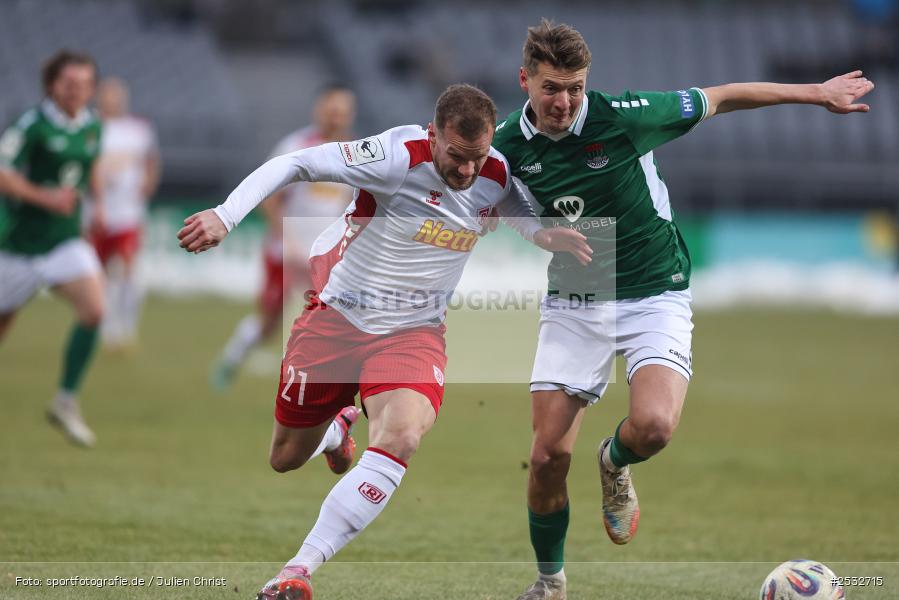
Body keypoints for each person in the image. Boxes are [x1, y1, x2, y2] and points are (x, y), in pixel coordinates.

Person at [491, 20, 875, 600]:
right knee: (546, 457)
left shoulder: (625, 115)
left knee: (654, 428)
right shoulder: (506, 145)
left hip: (654, 289)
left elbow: (721, 97)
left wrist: (816, 94)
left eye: (575, 87)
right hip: (577, 300)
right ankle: (550, 584)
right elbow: (495, 199)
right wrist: (538, 233)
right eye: (551, 88)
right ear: (525, 81)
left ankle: (614, 460)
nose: (564, 102)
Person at [177, 83, 592, 600]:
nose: (468, 171)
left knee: (402, 436)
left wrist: (542, 234)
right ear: (434, 134)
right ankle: (335, 434)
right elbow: (296, 163)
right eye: (457, 156)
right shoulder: (395, 156)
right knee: (285, 456)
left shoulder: (493, 170)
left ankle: (296, 570)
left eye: (478, 157)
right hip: (336, 321)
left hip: (414, 332)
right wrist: (225, 215)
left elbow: (510, 204)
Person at [211, 84, 356, 390]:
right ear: (319, 110)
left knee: (330, 319)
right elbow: (269, 199)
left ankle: (316, 385)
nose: (337, 117)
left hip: (323, 255)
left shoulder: (353, 154)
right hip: (285, 253)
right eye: (332, 110)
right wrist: (288, 240)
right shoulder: (297, 147)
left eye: (342, 112)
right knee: (269, 321)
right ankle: (232, 358)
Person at [0, 50, 105, 448]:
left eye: (85, 83)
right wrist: (45, 198)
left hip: (64, 241)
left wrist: (97, 205)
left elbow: (89, 167)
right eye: (70, 83)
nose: (78, 90)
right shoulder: (32, 125)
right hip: (18, 245)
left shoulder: (93, 124)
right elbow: (3, 173)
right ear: (52, 85)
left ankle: (65, 400)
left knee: (95, 310)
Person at [90, 77, 160, 349]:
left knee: (129, 271)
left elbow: (152, 161)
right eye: (108, 95)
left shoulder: (139, 129)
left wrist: (148, 184)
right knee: (99, 274)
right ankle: (106, 327)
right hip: (96, 214)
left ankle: (127, 326)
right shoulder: (90, 127)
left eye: (117, 95)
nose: (113, 100)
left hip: (129, 214)